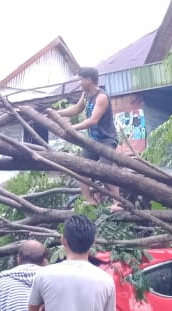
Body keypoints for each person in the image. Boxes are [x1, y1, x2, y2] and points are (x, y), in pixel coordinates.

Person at [56, 67, 121, 209]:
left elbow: (93, 120)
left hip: (107, 140)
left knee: (105, 171)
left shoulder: (101, 97)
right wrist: (56, 113)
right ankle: (90, 200)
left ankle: (117, 203)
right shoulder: (86, 94)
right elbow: (76, 109)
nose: (80, 83)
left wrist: (71, 128)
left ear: (89, 79)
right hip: (92, 140)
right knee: (81, 169)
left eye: (81, 79)